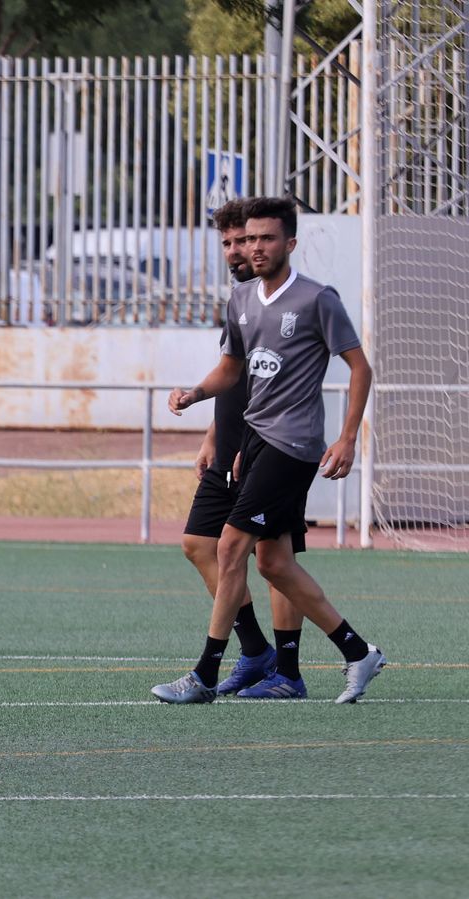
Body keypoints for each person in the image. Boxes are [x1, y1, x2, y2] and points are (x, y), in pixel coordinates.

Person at [155, 196, 383, 704]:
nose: (256, 247)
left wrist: (347, 436)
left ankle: (205, 676)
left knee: (231, 546)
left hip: (295, 444)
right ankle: (357, 652)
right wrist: (195, 394)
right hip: (256, 443)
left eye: (267, 238)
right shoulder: (240, 300)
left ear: (290, 243)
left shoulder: (317, 299)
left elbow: (360, 368)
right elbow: (233, 371)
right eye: (249, 238)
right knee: (274, 564)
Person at [182, 199, 308, 699]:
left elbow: (280, 378)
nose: (237, 251)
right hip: (230, 443)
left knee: (273, 557)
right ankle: (256, 650)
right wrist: (214, 435)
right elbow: (233, 376)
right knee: (198, 544)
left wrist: (253, 443)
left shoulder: (288, 301)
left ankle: (288, 670)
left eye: (246, 241)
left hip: (268, 447)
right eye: (230, 243)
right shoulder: (240, 298)